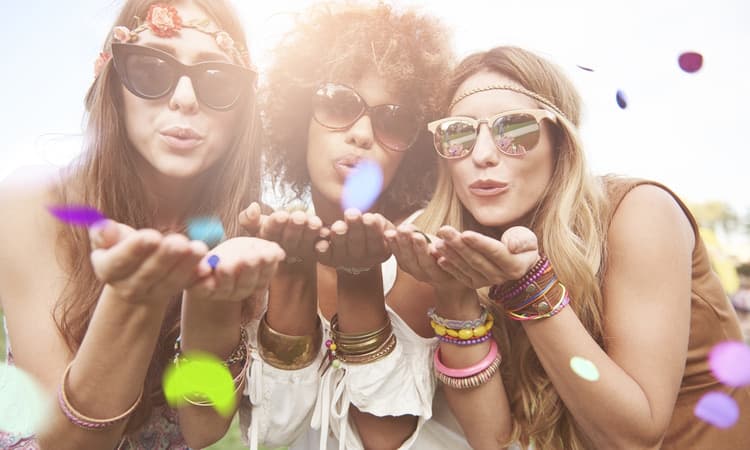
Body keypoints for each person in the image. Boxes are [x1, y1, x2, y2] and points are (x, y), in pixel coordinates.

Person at [387, 45, 750, 449]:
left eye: (515, 130)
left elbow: (632, 437)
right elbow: (494, 442)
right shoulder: (459, 246)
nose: (484, 155)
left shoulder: (640, 212)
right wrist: (455, 296)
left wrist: (529, 288)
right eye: (458, 134)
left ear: (560, 141)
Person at [0, 1, 284, 449]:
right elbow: (69, 444)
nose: (185, 99)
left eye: (217, 80)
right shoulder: (31, 206)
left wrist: (212, 303)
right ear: (113, 83)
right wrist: (135, 298)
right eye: (151, 70)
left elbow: (203, 427)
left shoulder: (252, 234)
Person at [233, 2, 456, 449]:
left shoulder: (422, 247)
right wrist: (291, 277)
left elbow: (384, 433)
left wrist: (360, 277)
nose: (361, 133)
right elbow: (273, 432)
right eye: (338, 103)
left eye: (393, 119)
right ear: (299, 117)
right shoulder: (263, 241)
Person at [731, 263, 750, 343]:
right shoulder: (737, 293)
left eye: (744, 277)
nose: (741, 279)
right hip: (737, 325)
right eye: (740, 276)